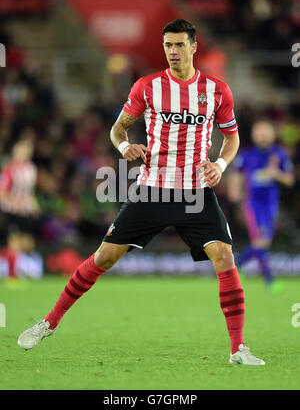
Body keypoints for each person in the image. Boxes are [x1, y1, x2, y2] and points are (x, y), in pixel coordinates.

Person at [18, 19, 265, 365]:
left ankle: (238, 349)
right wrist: (124, 148)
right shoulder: (147, 87)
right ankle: (49, 322)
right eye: (168, 45)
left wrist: (220, 166)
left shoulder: (217, 90)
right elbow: (118, 129)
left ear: (194, 46)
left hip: (195, 192)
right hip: (152, 190)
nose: (173, 52)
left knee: (224, 255)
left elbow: (232, 137)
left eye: (179, 45)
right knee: (103, 258)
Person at [228, 120, 295, 292]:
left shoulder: (279, 154)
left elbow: (290, 179)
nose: (263, 135)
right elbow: (236, 174)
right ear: (254, 135)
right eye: (259, 132)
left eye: (266, 132)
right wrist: (235, 192)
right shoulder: (246, 154)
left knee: (261, 243)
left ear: (272, 134)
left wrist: (276, 174)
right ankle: (268, 281)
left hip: (270, 205)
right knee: (261, 241)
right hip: (253, 204)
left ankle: (237, 269)